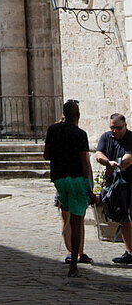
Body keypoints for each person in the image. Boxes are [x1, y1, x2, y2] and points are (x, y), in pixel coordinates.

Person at [44, 100, 95, 277]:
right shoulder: (80, 134)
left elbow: (46, 155)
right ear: (78, 115)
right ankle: (74, 264)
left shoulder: (52, 130)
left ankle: (70, 255)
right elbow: (85, 163)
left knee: (66, 215)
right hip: (78, 180)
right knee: (77, 220)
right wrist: (90, 189)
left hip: (60, 179)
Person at [96, 112, 132, 265]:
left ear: (125, 126)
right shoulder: (106, 137)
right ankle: (130, 251)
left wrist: (114, 164)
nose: (115, 131)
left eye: (118, 128)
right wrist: (107, 163)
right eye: (112, 128)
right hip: (115, 186)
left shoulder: (131, 138)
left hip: (130, 183)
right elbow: (98, 154)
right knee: (122, 216)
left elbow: (127, 161)